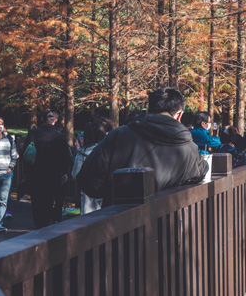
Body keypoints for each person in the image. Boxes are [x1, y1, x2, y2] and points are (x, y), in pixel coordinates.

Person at [78, 88, 209, 201]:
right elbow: (201, 171)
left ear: (147, 110)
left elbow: (89, 182)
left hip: (119, 223)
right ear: (179, 115)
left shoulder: (118, 136)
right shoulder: (188, 146)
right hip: (168, 224)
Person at [24, 110, 73, 228]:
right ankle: (46, 221)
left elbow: (26, 152)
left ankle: (38, 221)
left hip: (35, 171)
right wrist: (64, 172)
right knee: (49, 197)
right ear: (55, 121)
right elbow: (64, 156)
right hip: (53, 172)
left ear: (42, 119)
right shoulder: (59, 135)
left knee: (36, 198)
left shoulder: (33, 133)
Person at [72, 118, 114, 215]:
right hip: (105, 191)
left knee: (88, 222)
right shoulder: (107, 151)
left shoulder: (82, 153)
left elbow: (74, 174)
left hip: (87, 193)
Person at [0, 116, 17, 232]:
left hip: (6, 173)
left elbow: (14, 155)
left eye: (0, 123)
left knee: (2, 200)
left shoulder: (9, 139)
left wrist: (10, 167)